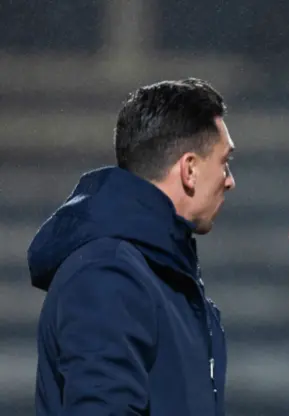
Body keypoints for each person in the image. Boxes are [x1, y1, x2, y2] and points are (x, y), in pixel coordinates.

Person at [27, 78, 236, 415]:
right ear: (190, 169)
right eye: (224, 161)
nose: (229, 180)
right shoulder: (106, 274)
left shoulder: (159, 274)